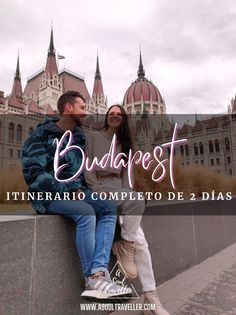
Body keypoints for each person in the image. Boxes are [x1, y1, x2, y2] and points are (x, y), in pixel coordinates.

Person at [21, 91, 132, 300]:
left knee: (108, 207)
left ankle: (100, 273)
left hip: (78, 193)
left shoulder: (81, 138)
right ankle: (92, 280)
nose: (85, 112)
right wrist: (69, 191)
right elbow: (33, 173)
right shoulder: (41, 135)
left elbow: (85, 171)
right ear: (68, 108)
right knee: (87, 212)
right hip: (48, 196)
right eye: (82, 107)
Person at [84, 105, 169, 315]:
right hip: (99, 190)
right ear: (106, 116)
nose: (114, 115)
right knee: (140, 240)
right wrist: (97, 190)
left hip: (120, 193)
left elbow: (126, 181)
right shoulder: (93, 136)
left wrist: (125, 204)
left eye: (119, 114)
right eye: (111, 113)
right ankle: (150, 297)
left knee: (140, 240)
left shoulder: (125, 145)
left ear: (124, 119)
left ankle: (151, 296)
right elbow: (88, 167)